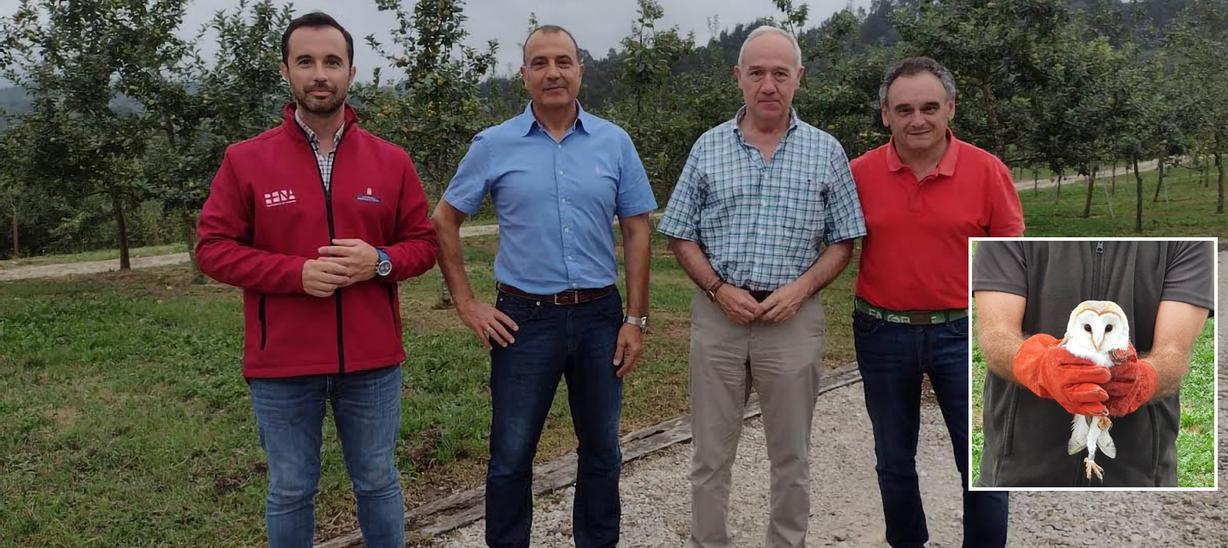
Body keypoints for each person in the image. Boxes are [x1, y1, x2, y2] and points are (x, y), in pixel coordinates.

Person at [195, 11, 437, 547]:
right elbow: (212, 250)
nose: (319, 73)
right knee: (290, 488)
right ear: (286, 70)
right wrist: (295, 273)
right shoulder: (245, 160)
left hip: (372, 363)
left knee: (377, 482)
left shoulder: (391, 161)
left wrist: (377, 260)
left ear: (351, 72)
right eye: (306, 61)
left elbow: (423, 246)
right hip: (282, 362)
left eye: (332, 61)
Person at [430, 25, 656, 548]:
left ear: (581, 70)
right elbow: (443, 220)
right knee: (511, 455)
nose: (552, 72)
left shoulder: (614, 142)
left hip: (602, 317)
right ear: (524, 75)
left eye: (563, 61)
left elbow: (637, 228)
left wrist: (636, 319)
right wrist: (466, 303)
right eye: (540, 63)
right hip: (523, 322)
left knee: (602, 449)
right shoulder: (493, 145)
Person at [658, 25, 866, 548]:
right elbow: (679, 233)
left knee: (791, 456)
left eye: (780, 73)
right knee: (709, 454)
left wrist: (799, 291)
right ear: (738, 79)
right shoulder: (708, 147)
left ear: (799, 78)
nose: (768, 85)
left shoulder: (826, 151)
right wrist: (714, 289)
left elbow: (844, 241)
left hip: (792, 321)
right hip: (718, 317)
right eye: (756, 73)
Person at [848, 56, 1020, 547]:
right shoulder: (859, 173)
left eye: (928, 107)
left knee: (983, 461)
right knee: (894, 458)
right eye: (903, 109)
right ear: (886, 115)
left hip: (963, 331)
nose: (916, 119)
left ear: (950, 109)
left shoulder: (987, 172)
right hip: (882, 331)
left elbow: (1011, 257)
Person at [973, 240, 1213, 487]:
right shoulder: (1011, 228)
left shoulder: (1187, 242)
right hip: (1019, 467)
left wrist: (1143, 379)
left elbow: (1173, 351)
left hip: (1138, 473)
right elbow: (997, 334)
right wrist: (1037, 366)